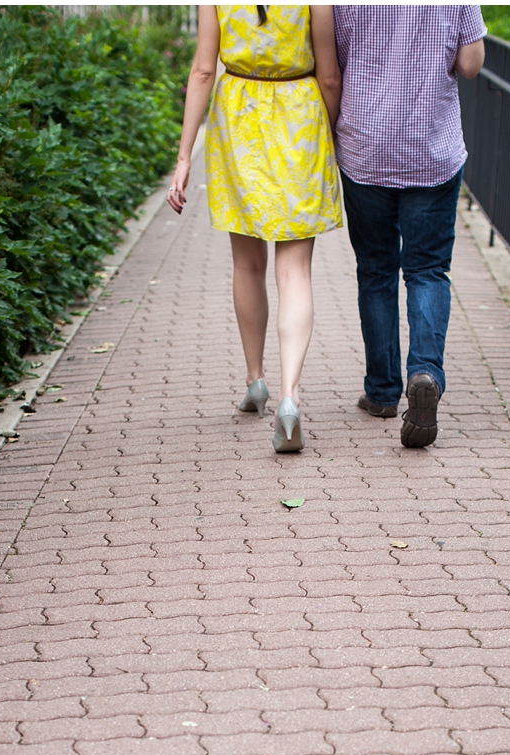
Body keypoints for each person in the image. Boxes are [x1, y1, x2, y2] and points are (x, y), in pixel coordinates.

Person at [170, 5, 343, 454]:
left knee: (247, 264)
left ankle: (256, 381)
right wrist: (335, 140)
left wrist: (185, 155)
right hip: (300, 119)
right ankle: (290, 396)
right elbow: (329, 77)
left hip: (239, 119)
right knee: (295, 271)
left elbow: (204, 71)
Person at [332, 6, 486, 447]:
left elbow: (332, 65)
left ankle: (381, 392)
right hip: (430, 146)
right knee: (427, 270)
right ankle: (425, 372)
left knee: (376, 270)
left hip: (365, 144)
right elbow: (471, 65)